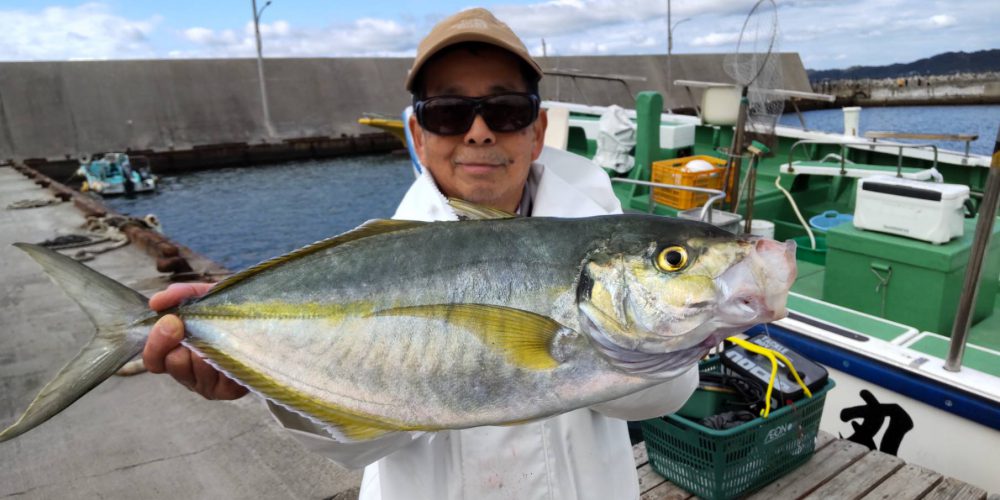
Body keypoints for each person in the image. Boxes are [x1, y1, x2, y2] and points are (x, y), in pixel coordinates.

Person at [143, 8, 697, 499]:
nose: (478, 132)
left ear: (538, 130)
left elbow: (663, 398)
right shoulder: (373, 253)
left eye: (505, 109)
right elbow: (361, 444)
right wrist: (256, 366)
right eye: (448, 112)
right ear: (418, 133)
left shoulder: (604, 239)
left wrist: (677, 326)